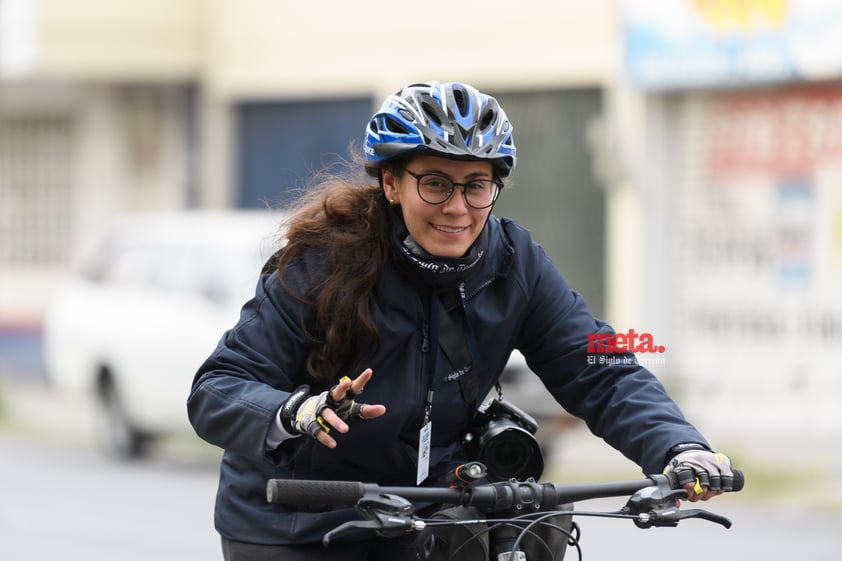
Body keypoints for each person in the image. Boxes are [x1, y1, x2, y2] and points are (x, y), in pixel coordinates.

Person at [187, 81, 734, 561]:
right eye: (435, 183)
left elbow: (600, 366)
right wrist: (296, 412)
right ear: (391, 183)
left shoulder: (515, 262)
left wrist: (678, 446)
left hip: (429, 511)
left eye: (476, 185)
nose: (457, 207)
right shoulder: (321, 262)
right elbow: (217, 389)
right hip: (293, 520)